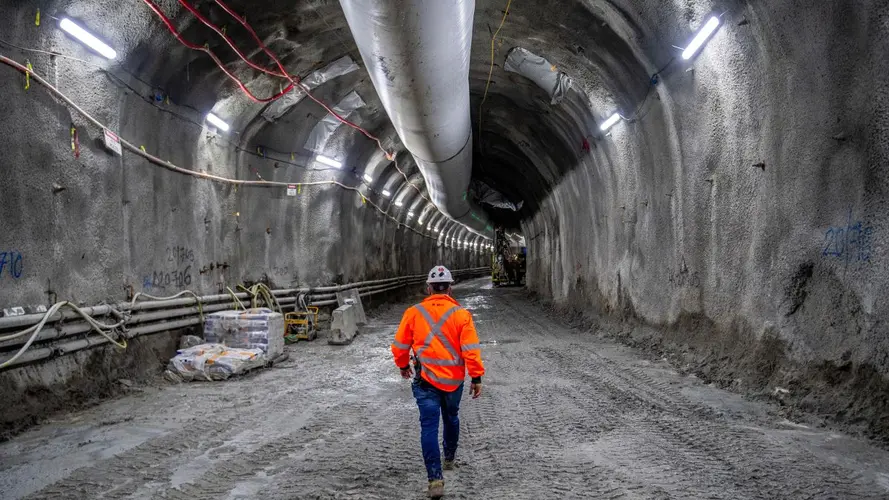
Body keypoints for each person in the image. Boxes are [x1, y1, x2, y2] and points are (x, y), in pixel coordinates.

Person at [392, 265, 486, 499]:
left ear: (429, 288)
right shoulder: (461, 315)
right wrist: (476, 376)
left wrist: (403, 365)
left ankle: (435, 480)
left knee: (429, 427)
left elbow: (400, 346)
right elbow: (471, 350)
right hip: (454, 381)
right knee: (451, 417)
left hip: (425, 381)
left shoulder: (413, 313)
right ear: (450, 289)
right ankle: (450, 458)